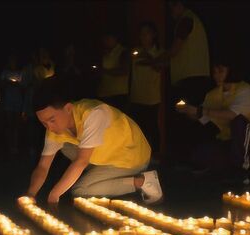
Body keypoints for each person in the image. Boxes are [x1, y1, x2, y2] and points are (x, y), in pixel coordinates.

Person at [26, 77, 163, 204]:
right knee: (65, 146)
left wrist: (54, 196)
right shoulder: (55, 128)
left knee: (81, 190)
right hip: (107, 154)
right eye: (44, 123)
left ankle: (142, 181)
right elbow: (43, 167)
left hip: (131, 157)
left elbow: (82, 161)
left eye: (52, 120)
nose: (49, 127)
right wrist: (30, 194)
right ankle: (97, 175)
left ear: (68, 108)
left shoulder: (94, 114)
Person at [175, 59, 250, 183]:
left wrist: (200, 111)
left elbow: (231, 115)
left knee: (239, 122)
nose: (217, 75)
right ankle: (230, 164)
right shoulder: (214, 95)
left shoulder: (245, 90)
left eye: (221, 71)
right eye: (214, 72)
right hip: (231, 142)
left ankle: (241, 170)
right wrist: (187, 110)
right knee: (200, 155)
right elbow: (202, 116)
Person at [130, 21, 164, 157]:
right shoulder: (135, 52)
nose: (144, 37)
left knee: (152, 126)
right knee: (137, 128)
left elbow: (159, 66)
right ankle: (139, 156)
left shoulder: (159, 52)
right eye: (141, 34)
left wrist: (148, 57)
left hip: (151, 97)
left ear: (153, 35)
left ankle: (155, 154)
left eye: (147, 33)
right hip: (136, 96)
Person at [96, 30, 130, 111]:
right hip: (104, 93)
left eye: (108, 38)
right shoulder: (104, 52)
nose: (106, 41)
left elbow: (123, 70)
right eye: (104, 39)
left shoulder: (123, 52)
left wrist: (104, 71)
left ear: (115, 38)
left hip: (118, 94)